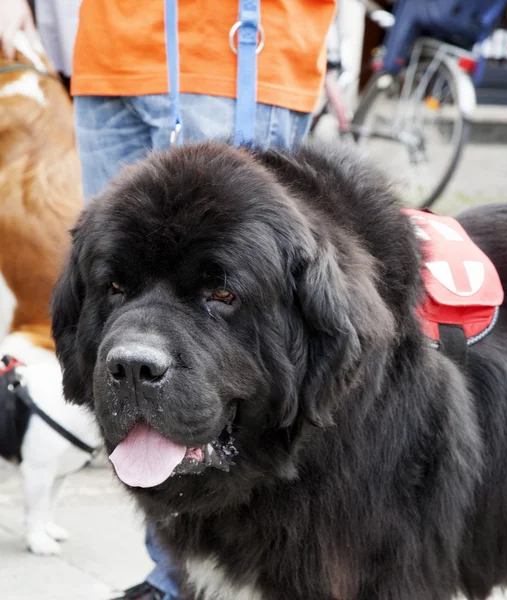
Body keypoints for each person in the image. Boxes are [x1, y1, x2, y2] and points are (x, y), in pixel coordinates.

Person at [69, 1, 336, 598]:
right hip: (109, 50)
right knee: (126, 304)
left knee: (252, 359)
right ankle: (176, 576)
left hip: (235, 41)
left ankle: (261, 582)